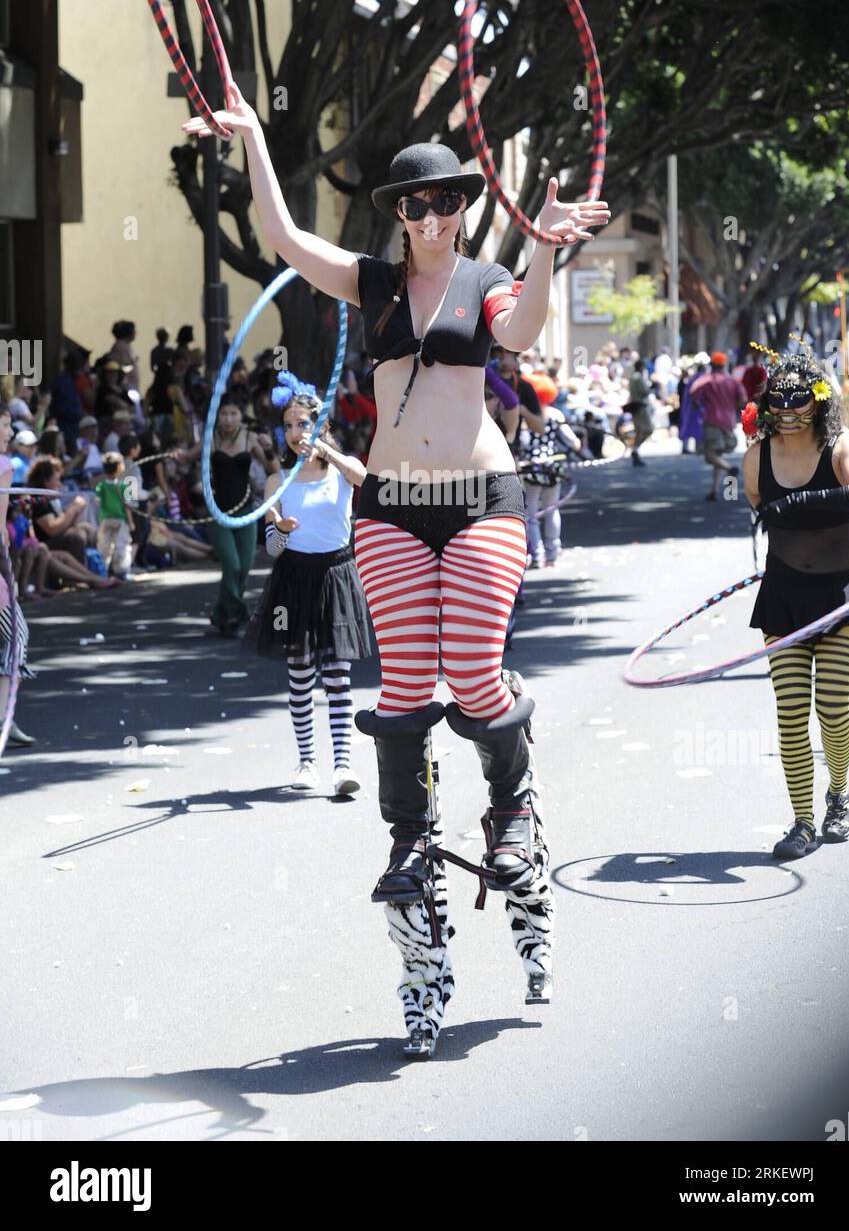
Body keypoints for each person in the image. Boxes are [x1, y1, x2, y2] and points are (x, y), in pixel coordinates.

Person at [183, 82, 610, 1041]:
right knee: (407, 693)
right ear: (400, 214)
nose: (429, 217)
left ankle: (515, 807)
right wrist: (252, 137)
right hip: (389, 509)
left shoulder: (486, 277)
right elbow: (288, 241)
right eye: (413, 205)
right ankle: (412, 847)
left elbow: (522, 331)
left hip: (479, 501)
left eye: (445, 201)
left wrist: (542, 245)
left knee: (473, 675)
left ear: (463, 206)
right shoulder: (372, 285)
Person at [742, 344, 849, 860]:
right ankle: (802, 821)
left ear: (818, 403)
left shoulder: (842, 446)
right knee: (791, 712)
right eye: (779, 408)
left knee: (833, 707)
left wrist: (807, 500)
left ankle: (838, 792)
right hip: (785, 595)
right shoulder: (756, 456)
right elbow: (754, 503)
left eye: (798, 407)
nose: (788, 418)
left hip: (842, 597)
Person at [246, 371, 371, 796]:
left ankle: (342, 766)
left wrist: (326, 452)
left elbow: (364, 478)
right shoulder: (276, 482)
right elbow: (274, 549)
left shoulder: (340, 470)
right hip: (293, 578)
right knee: (300, 675)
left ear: (321, 425)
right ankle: (307, 762)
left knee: (337, 675)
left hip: (336, 575)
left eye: (303, 423)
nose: (295, 432)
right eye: (288, 425)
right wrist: (280, 527)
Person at [181, 395, 279, 636]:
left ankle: (221, 616)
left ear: (240, 415)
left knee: (244, 568)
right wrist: (176, 456)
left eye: (233, 413)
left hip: (245, 511)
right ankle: (240, 615)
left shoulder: (250, 437)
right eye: (224, 414)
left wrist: (268, 449)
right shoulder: (211, 439)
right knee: (231, 564)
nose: (228, 419)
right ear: (218, 416)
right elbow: (185, 458)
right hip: (219, 513)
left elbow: (274, 469)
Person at [517, 373, 581, 569]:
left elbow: (522, 443)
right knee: (552, 509)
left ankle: (537, 554)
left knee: (532, 513)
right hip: (553, 467)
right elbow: (573, 442)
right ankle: (553, 551)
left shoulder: (525, 415)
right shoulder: (555, 414)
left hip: (532, 467)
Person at [0, 401, 36, 746]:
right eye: (5, 425)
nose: (9, 432)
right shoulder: (4, 465)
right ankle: (3, 717)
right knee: (17, 635)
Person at [689, 351, 747, 499]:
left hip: (711, 421)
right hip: (728, 422)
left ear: (712, 365)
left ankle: (729, 469)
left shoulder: (708, 379)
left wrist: (698, 403)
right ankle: (714, 490)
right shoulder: (732, 381)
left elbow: (693, 391)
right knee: (718, 454)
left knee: (710, 455)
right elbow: (743, 400)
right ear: (724, 365)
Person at [94, 453, 133, 578]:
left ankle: (102, 570)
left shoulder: (101, 485)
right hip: (120, 520)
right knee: (122, 545)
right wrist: (131, 522)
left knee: (104, 545)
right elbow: (128, 506)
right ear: (118, 467)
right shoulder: (123, 486)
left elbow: (97, 502)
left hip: (105, 519)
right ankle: (121, 570)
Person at [626, 359, 653, 466]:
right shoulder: (638, 377)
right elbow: (644, 391)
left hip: (635, 405)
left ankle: (635, 450)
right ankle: (635, 448)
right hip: (640, 406)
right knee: (647, 429)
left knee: (639, 430)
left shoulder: (633, 377)